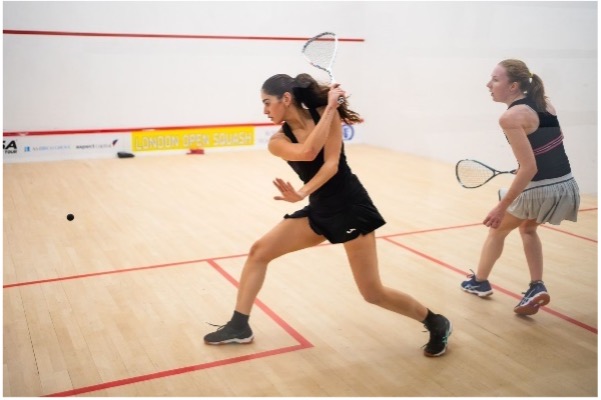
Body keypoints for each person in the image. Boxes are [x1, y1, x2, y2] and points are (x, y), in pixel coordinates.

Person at [204, 73, 452, 357]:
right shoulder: (278, 140)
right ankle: (239, 325)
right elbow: (308, 152)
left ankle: (435, 321)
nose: (264, 110)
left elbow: (331, 164)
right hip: (320, 208)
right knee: (259, 251)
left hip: (350, 206)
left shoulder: (325, 113)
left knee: (372, 293)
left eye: (267, 103)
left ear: (286, 99)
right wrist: (302, 194)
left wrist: (302, 190)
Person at [461, 59, 580, 315]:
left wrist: (500, 207)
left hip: (540, 188)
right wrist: (526, 165)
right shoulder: (545, 103)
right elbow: (551, 143)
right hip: (564, 184)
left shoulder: (510, 117)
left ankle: (479, 281)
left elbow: (530, 169)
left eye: (495, 80)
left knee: (497, 230)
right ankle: (536, 285)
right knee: (527, 229)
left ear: (513, 86)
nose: (488, 85)